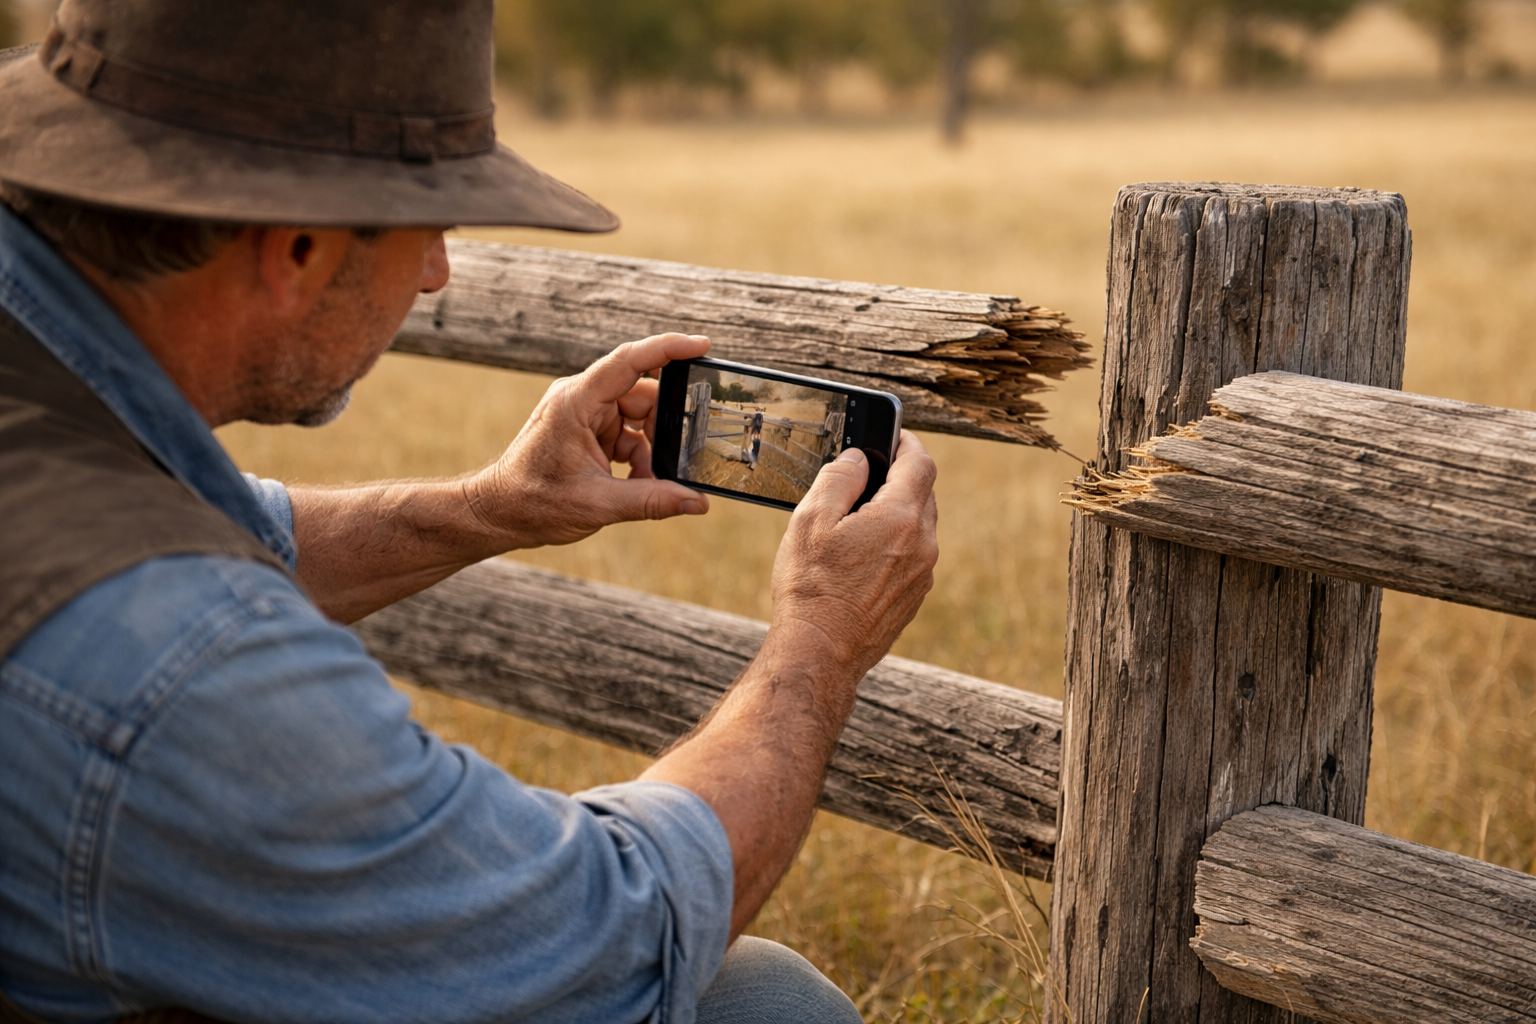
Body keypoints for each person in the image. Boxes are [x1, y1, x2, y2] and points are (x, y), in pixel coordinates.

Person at [0, 2, 940, 1024]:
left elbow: (227, 539)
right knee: (770, 1011)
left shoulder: (49, 402)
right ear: (299, 246)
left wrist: (495, 507)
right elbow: (603, 942)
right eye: (430, 227)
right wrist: (819, 643)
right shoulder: (179, 664)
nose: (440, 271)